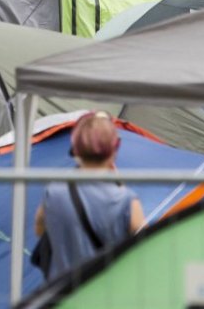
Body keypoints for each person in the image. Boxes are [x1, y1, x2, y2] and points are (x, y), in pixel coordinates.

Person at [34, 112, 143, 279]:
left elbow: (40, 229)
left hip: (61, 293)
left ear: (75, 149)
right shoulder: (126, 200)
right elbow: (145, 247)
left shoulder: (53, 191)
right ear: (115, 148)